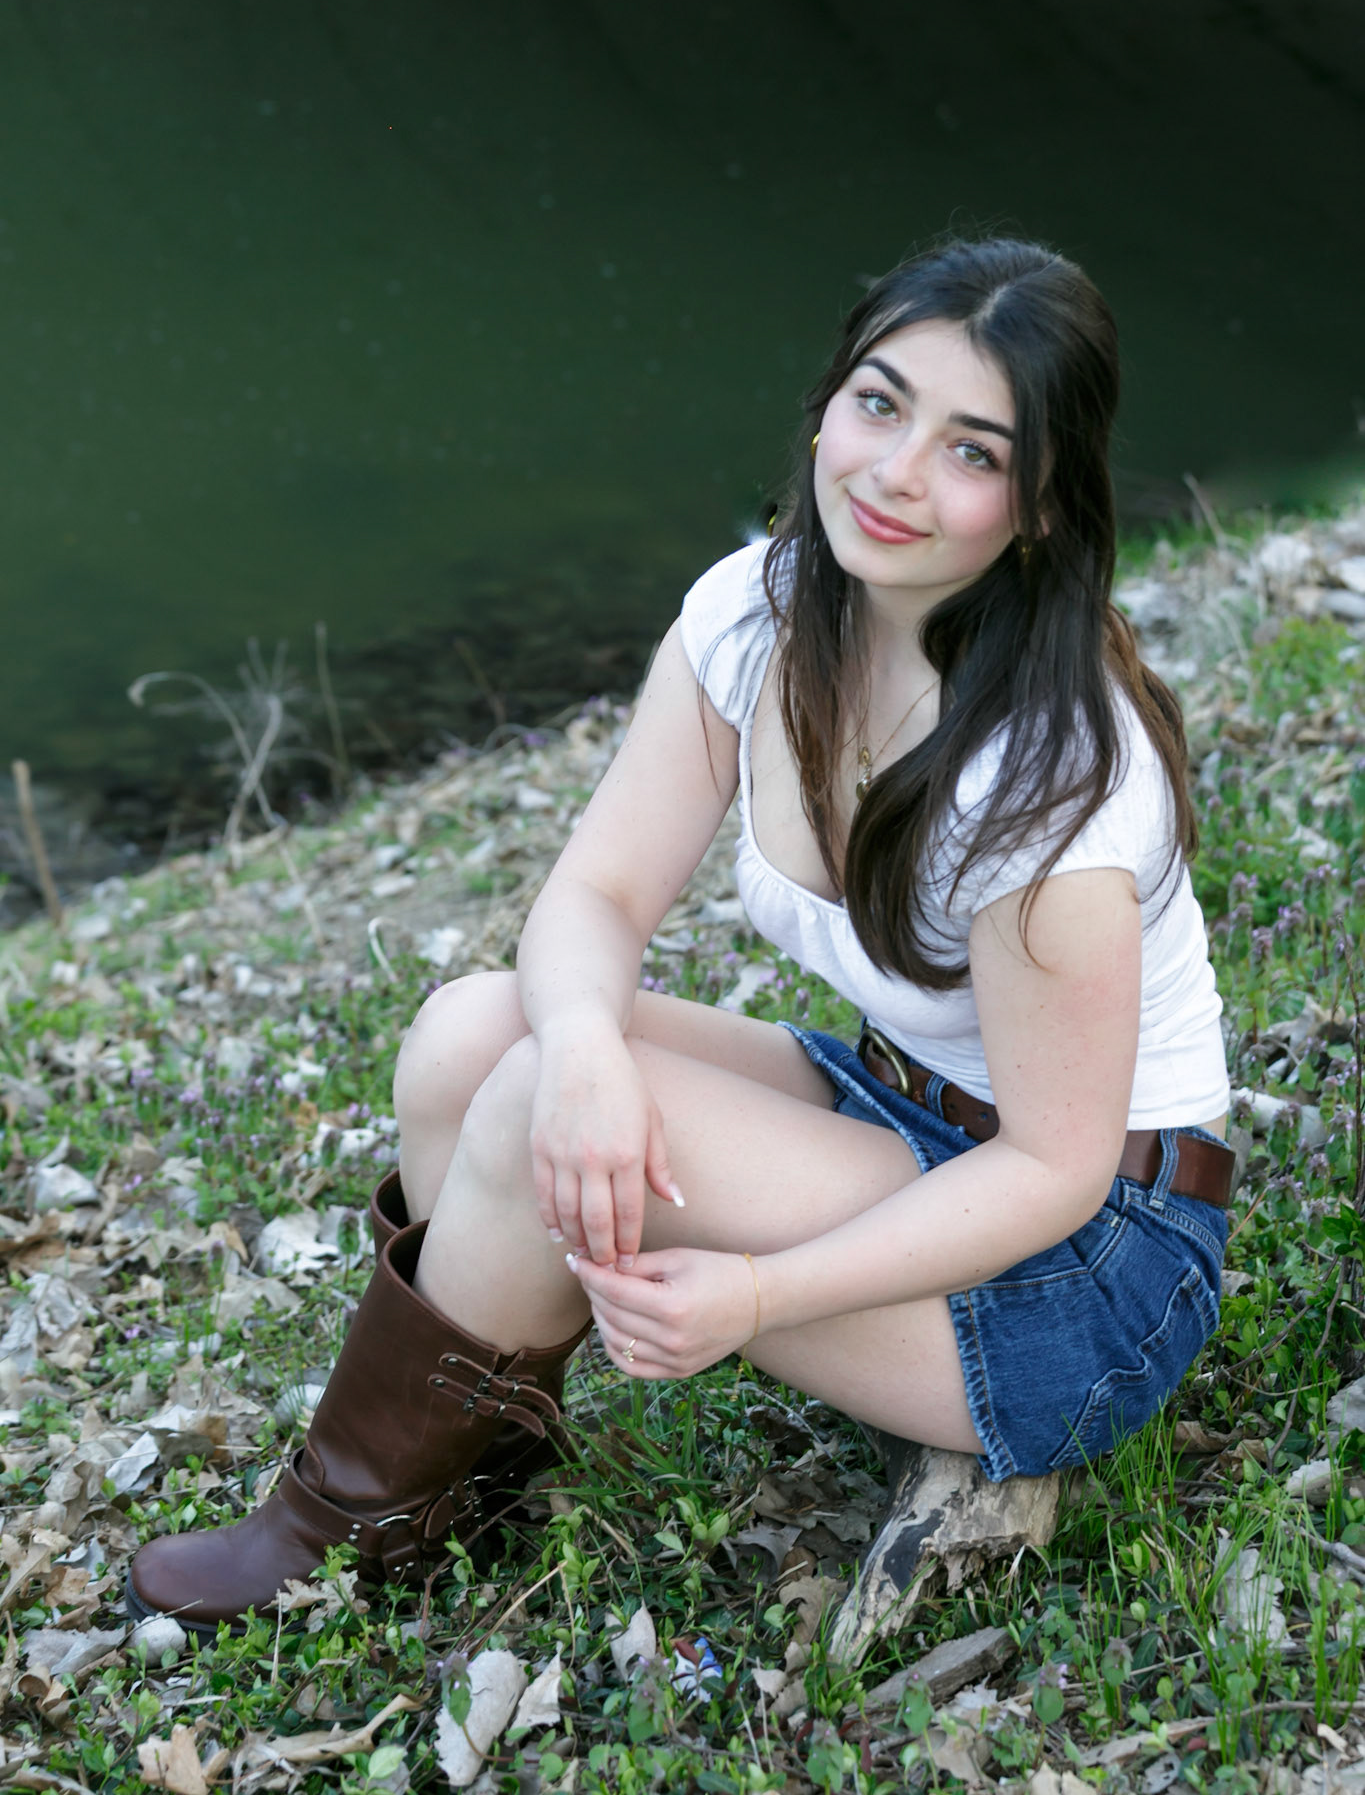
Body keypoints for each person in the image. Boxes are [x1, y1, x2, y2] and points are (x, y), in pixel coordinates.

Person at [127, 237, 1233, 1633]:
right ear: (827, 405)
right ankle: (477, 1459)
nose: (894, 473)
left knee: (525, 1097)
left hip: (1086, 1262)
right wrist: (588, 1046)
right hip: (896, 1109)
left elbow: (1052, 1168)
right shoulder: (760, 616)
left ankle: (342, 1524)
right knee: (475, 1038)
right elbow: (594, 897)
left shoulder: (1045, 781)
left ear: (1040, 507)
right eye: (880, 405)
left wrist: (757, 1294)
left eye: (971, 450)